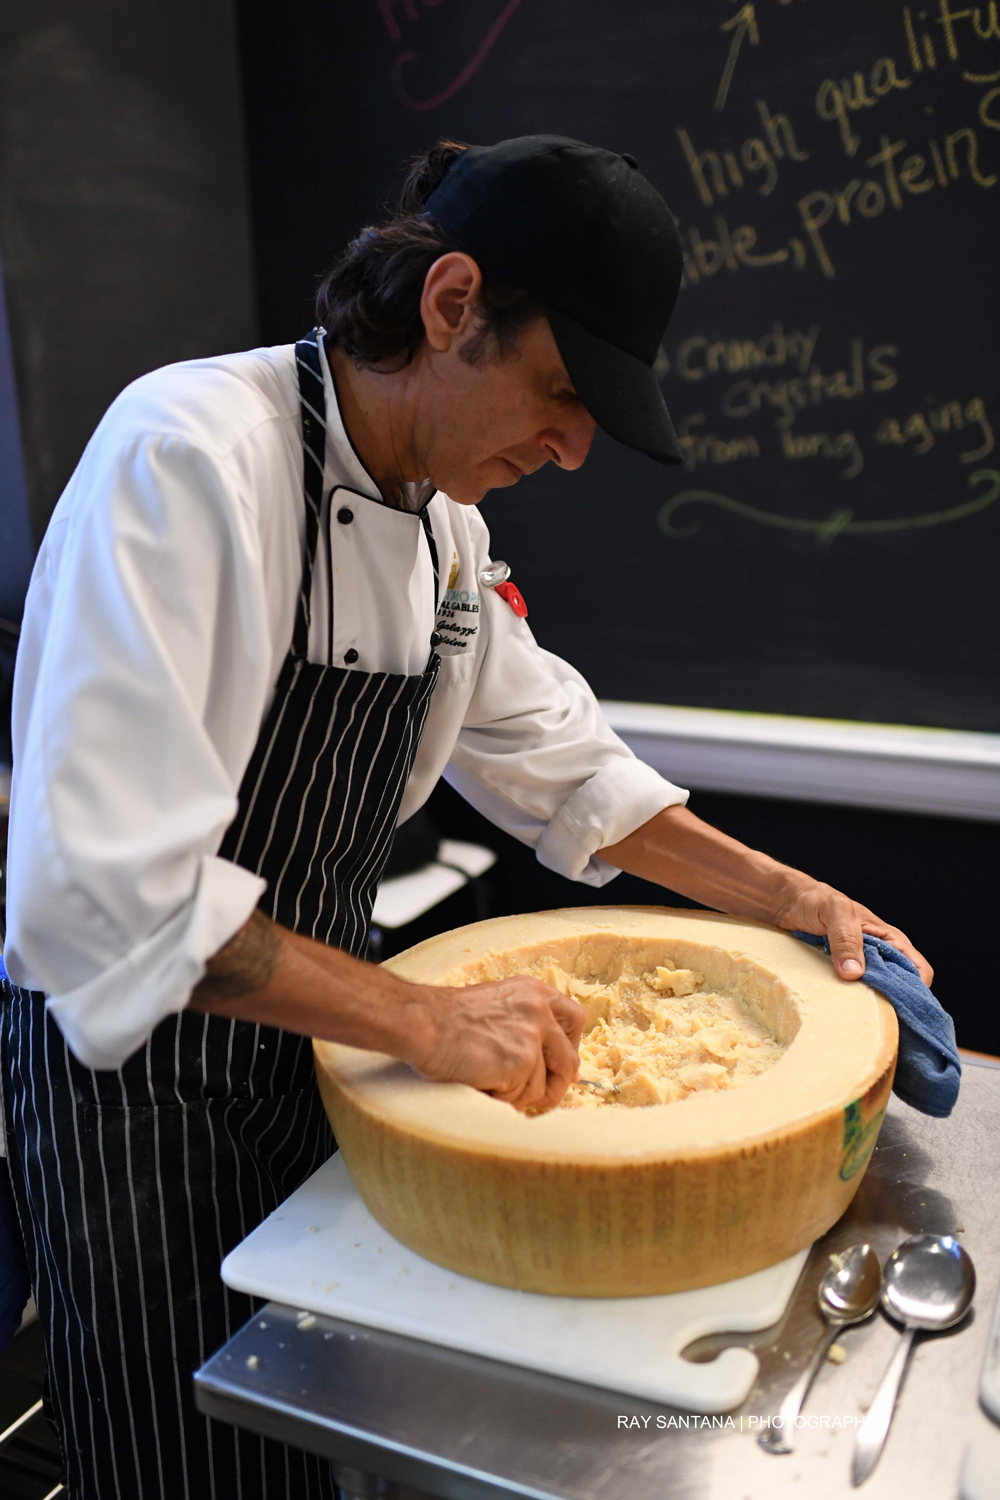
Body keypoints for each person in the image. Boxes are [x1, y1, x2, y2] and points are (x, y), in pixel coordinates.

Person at [0, 135, 931, 1500]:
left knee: (310, 1437)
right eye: (560, 394)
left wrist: (797, 900)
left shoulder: (442, 530)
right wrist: (427, 1021)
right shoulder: (186, 459)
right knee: (182, 1457)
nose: (566, 450)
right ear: (449, 307)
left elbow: (565, 763)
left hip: (315, 1051)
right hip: (133, 1084)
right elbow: (101, 896)